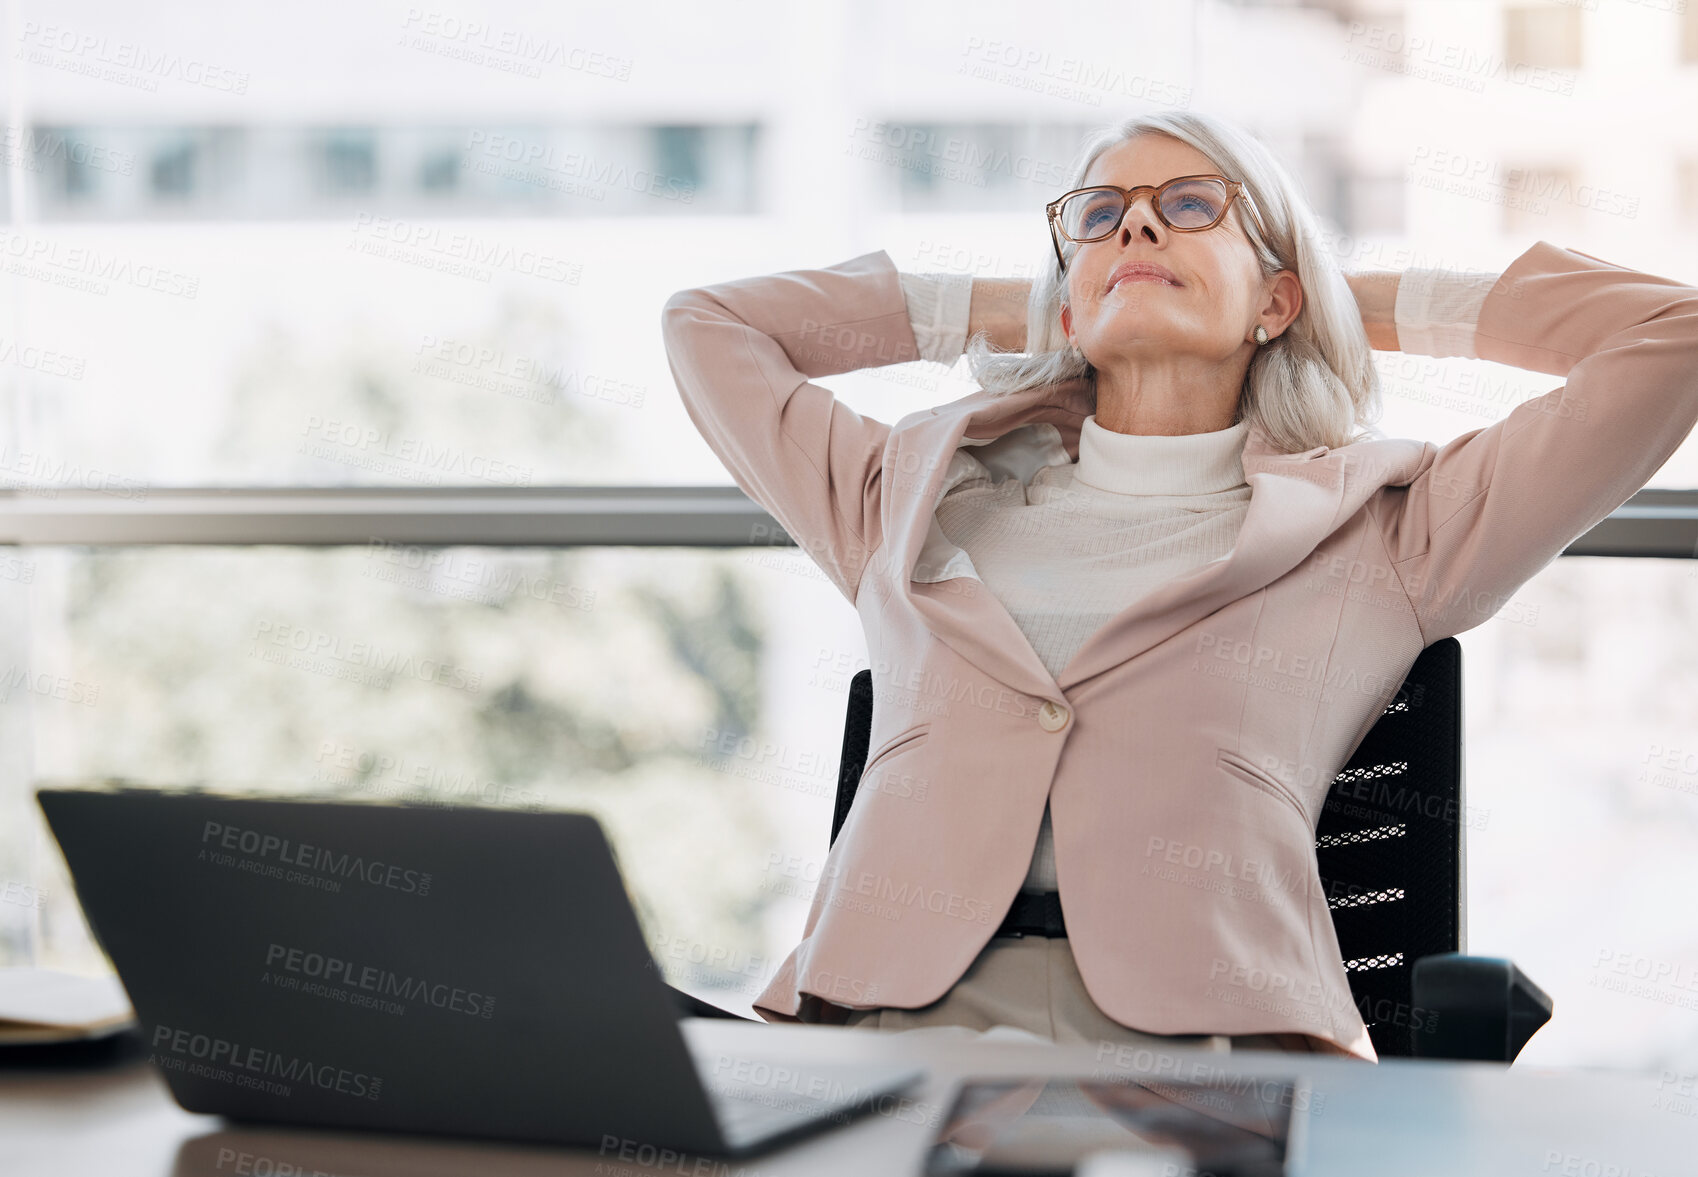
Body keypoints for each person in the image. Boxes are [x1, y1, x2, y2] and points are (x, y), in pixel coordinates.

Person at [661, 109, 1698, 1061]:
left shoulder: (1390, 528)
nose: (1136, 232)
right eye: (1101, 217)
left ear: (1278, 297)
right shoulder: (905, 494)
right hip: (880, 1030)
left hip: (1211, 1052)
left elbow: (1671, 338)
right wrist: (1045, 305)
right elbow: (709, 326)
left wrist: (1341, 303)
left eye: (1191, 207)